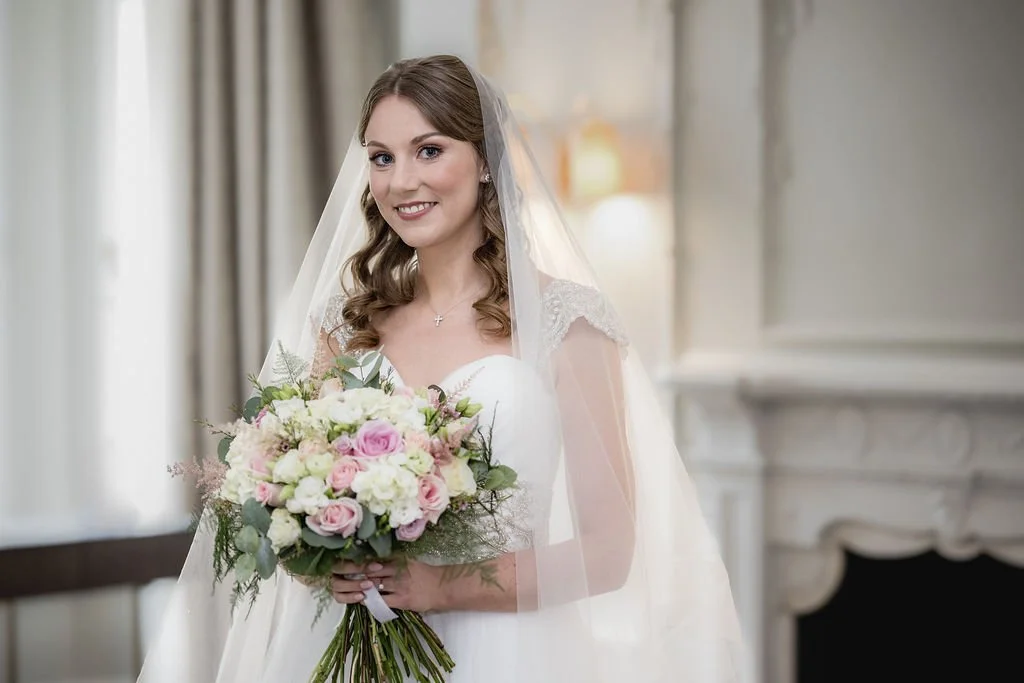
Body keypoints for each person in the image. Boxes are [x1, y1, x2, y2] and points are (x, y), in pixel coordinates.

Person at [138, 54, 743, 682]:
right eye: (382, 157)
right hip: (341, 647)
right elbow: (287, 509)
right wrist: (319, 544)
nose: (401, 182)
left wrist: (441, 586)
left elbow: (610, 552)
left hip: (504, 652)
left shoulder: (567, 322)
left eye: (428, 151)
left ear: (484, 160)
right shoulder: (347, 329)